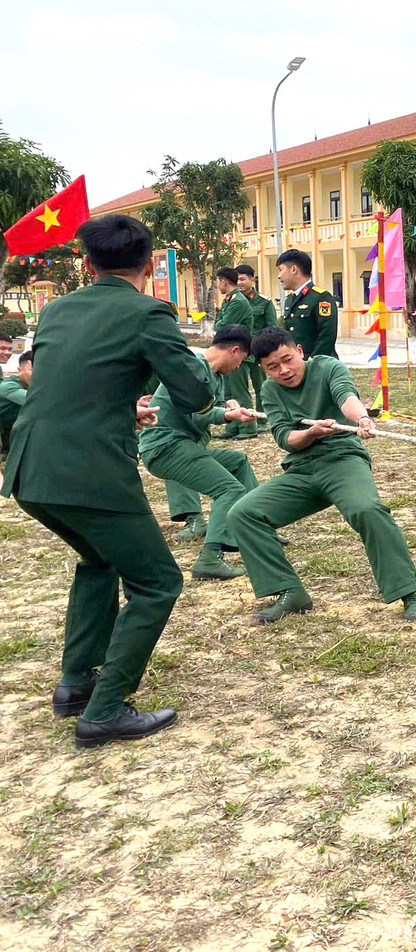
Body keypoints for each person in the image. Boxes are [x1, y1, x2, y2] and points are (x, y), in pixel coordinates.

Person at [1, 214, 214, 747]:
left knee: (98, 562)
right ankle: (105, 709)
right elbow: (196, 396)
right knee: (157, 582)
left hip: (30, 468)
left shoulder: (56, 310)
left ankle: (75, 684)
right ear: (148, 263)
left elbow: (74, 385)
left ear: (89, 263)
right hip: (90, 471)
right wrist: (204, 363)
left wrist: (125, 408)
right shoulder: (148, 312)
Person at [227, 328, 416, 624]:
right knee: (242, 514)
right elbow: (285, 438)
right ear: (262, 369)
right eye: (272, 367)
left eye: (287, 360)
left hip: (342, 460)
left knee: (367, 509)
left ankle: (408, 592)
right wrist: (309, 432)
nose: (284, 370)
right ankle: (289, 592)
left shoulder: (327, 367)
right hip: (301, 470)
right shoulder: (269, 391)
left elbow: (346, 397)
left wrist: (361, 418)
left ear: (299, 351)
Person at [139, 325, 261, 581]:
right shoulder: (191, 367)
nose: (240, 367)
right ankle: (210, 558)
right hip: (165, 447)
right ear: (235, 351)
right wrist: (228, 414)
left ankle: (258, 527)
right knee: (229, 489)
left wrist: (227, 405)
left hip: (181, 446)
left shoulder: (213, 375)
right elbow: (196, 412)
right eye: (242, 360)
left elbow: (208, 406)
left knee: (237, 461)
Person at [212, 267, 257, 440]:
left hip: (239, 353)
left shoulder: (238, 301)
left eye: (218, 282)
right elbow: (220, 323)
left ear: (224, 281)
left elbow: (222, 326)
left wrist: (219, 325)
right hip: (228, 353)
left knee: (240, 392)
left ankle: (248, 427)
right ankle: (233, 426)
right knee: (228, 393)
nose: (218, 286)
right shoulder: (229, 300)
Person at [236, 263, 278, 431]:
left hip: (258, 350)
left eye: (242, 279)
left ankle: (263, 419)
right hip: (239, 352)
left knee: (261, 385)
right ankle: (242, 419)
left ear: (252, 279)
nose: (239, 283)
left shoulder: (264, 301)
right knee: (239, 387)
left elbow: (271, 326)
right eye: (236, 280)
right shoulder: (234, 301)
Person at [276, 249, 337, 358]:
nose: (278, 276)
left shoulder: (321, 297)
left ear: (294, 269)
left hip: (318, 364)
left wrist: (312, 363)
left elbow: (327, 337)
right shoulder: (289, 300)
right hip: (296, 363)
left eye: (280, 270)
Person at [0, 348, 33, 464]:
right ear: (19, 370)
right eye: (31, 370)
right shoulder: (8, 386)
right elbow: (33, 400)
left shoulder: (32, 386)